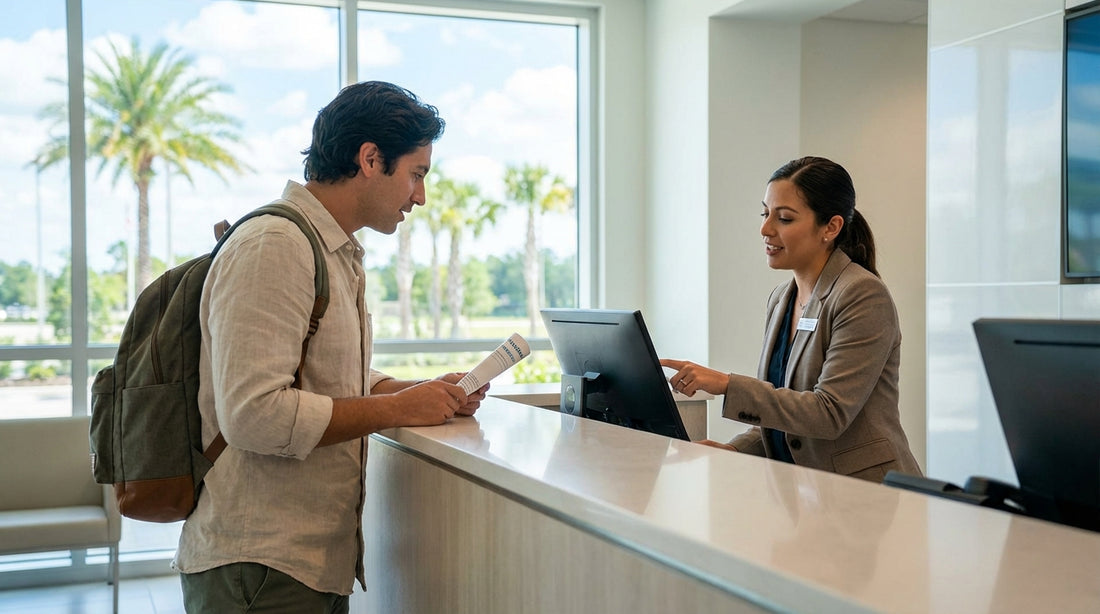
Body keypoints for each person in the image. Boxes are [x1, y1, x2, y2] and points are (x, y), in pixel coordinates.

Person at [173, 81, 488, 613]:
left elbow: (324, 376)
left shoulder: (328, 250)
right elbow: (253, 414)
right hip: (261, 570)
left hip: (298, 564)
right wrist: (395, 409)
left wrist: (411, 390)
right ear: (370, 158)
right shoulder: (276, 245)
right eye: (417, 173)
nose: (421, 196)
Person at [661, 156, 920, 482]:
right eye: (765, 213)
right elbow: (787, 416)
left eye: (783, 218)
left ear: (831, 227)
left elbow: (828, 414)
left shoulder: (862, 295)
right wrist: (734, 451)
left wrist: (728, 385)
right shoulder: (782, 299)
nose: (765, 229)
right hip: (806, 494)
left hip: (868, 494)